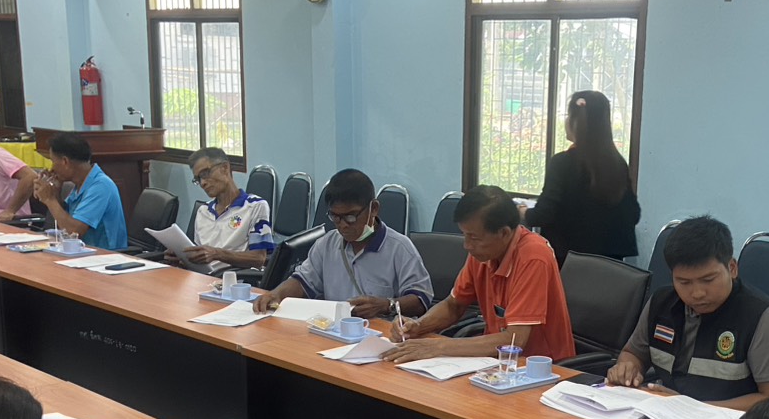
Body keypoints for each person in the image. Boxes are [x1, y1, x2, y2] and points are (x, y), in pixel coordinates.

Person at [607, 217, 769, 408]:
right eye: (684, 282)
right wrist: (628, 368)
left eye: (708, 280)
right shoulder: (660, 303)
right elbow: (633, 354)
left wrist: (691, 407)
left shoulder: (762, 317)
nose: (697, 293)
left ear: (732, 268)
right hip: (664, 416)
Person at [384, 185, 576, 363]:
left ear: (504, 233)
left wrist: (439, 346)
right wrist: (418, 326)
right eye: (465, 235)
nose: (467, 245)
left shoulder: (533, 257)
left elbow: (514, 340)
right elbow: (454, 305)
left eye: (474, 238)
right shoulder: (483, 253)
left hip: (540, 367)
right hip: (494, 363)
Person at [253, 168, 433, 319]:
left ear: (374, 209)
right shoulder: (326, 245)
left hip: (382, 336)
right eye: (336, 217)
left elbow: (421, 301)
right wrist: (276, 294)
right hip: (335, 331)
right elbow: (302, 282)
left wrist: (386, 305)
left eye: (351, 216)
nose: (344, 225)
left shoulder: (399, 248)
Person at [519, 91, 640, 264]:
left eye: (568, 115)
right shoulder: (618, 163)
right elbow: (633, 214)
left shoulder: (562, 162)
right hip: (611, 267)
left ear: (575, 121)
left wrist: (523, 212)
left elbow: (543, 214)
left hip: (566, 262)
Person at [176, 146, 274, 274]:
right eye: (198, 179)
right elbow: (201, 257)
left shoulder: (255, 206)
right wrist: (183, 258)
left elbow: (259, 258)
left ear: (225, 168)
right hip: (202, 277)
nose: (203, 183)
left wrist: (217, 254)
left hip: (232, 280)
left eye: (205, 174)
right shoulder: (203, 211)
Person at [33, 133, 129, 251]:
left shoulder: (101, 186)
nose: (52, 168)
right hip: (80, 252)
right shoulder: (80, 184)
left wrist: (50, 199)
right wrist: (55, 192)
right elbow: (64, 222)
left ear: (65, 161)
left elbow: (74, 232)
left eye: (53, 161)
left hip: (104, 255)